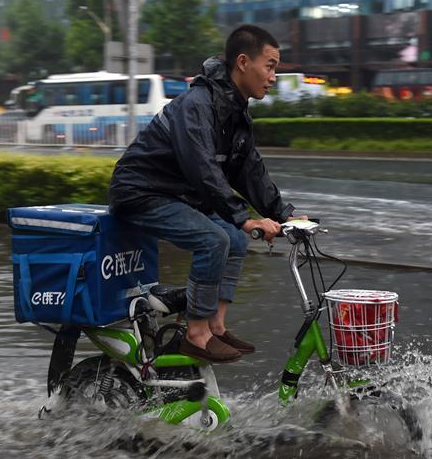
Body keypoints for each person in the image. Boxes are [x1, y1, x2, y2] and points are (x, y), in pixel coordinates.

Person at [108, 24, 302, 364]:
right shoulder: (198, 104)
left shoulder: (236, 111)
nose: (273, 76)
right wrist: (242, 218)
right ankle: (196, 335)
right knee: (214, 240)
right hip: (142, 191)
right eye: (270, 65)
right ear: (243, 62)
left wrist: (285, 214)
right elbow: (202, 169)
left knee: (236, 242)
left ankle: (214, 324)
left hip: (177, 194)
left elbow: (249, 169)